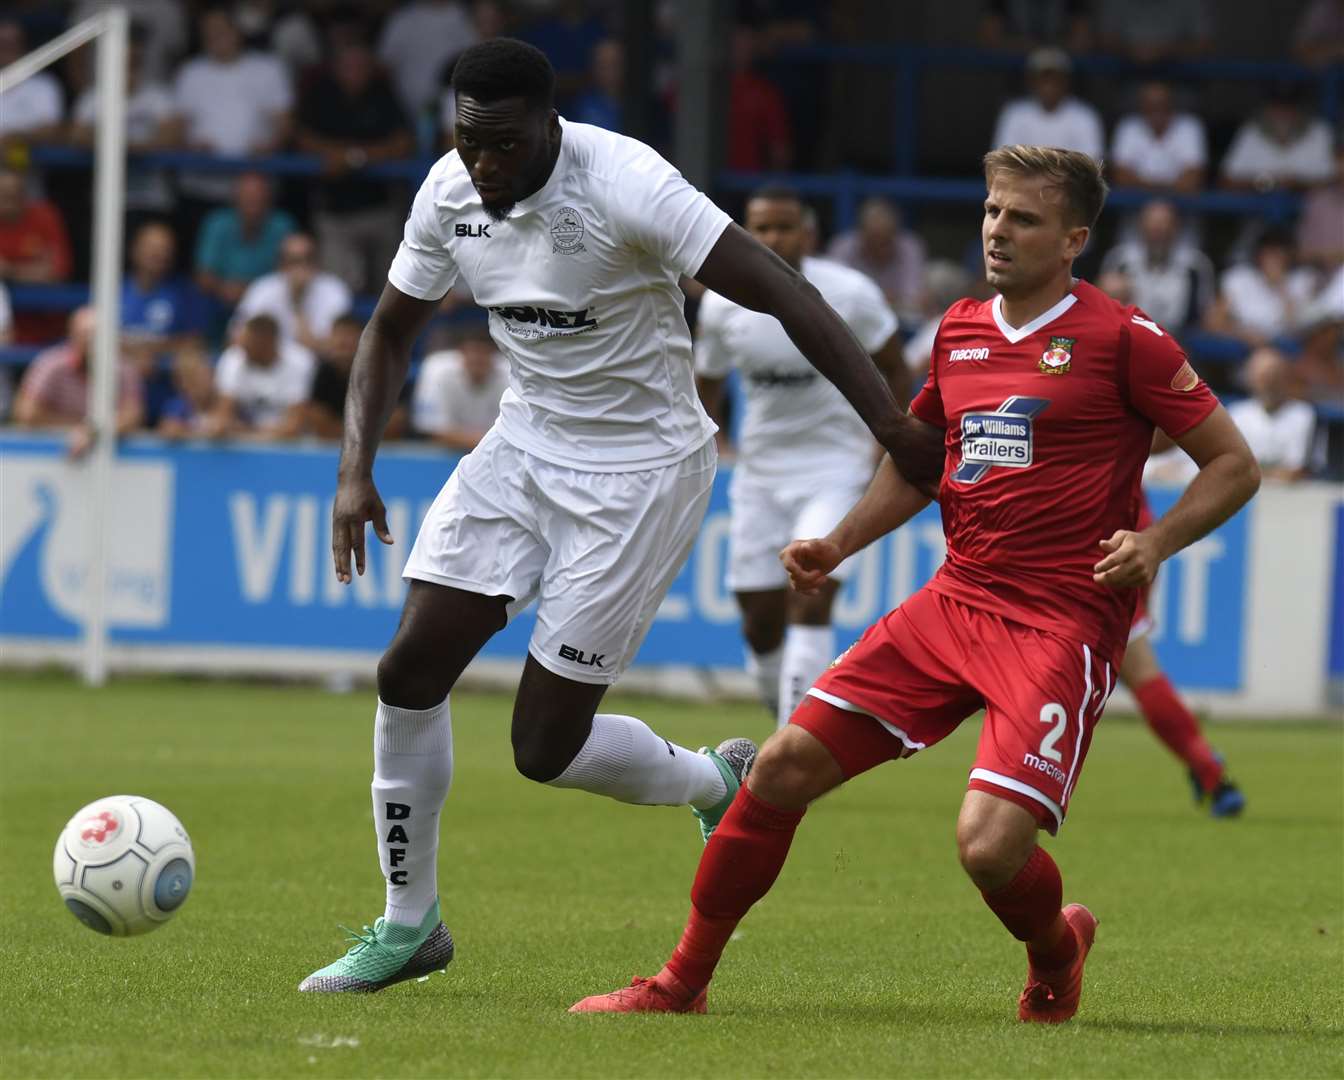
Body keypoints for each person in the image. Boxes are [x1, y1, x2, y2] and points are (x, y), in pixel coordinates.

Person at [299, 38, 943, 995]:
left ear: (551, 126)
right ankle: (408, 924)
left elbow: (781, 288)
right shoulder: (448, 192)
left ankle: (712, 781)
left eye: (505, 147)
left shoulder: (627, 180)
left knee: (543, 750)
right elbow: (391, 326)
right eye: (470, 144)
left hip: (640, 473)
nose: (486, 166)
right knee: (408, 667)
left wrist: (892, 424)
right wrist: (357, 467)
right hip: (523, 447)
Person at [570, 144, 1260, 1021]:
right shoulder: (961, 328)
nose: (999, 230)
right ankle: (679, 984)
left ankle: (1057, 950)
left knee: (986, 849)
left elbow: (1233, 465)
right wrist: (839, 543)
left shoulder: (1125, 339)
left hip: (1060, 624)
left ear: (1075, 238)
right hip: (955, 600)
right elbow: (921, 459)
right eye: (991, 211)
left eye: (1025, 218)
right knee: (778, 768)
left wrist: (1157, 542)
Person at [695, 187, 904, 727]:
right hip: (760, 474)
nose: (771, 239)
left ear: (807, 234)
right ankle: (782, 716)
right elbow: (708, 384)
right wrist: (709, 443)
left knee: (811, 596)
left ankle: (792, 742)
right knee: (759, 624)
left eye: (783, 228)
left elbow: (896, 367)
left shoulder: (850, 293)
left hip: (834, 469)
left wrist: (886, 442)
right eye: (760, 229)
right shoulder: (721, 303)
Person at [1120, 492, 1245, 816]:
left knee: (1132, 660)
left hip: (1080, 525)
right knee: (1129, 657)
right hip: (1127, 518)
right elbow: (1164, 439)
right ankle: (1206, 766)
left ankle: (1208, 768)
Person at [295, 39, 415, 294]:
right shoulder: (321, 94)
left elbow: (404, 142)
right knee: (338, 292)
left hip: (380, 209)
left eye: (361, 66)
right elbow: (302, 139)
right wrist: (347, 155)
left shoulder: (383, 92)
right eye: (348, 66)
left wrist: (354, 157)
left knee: (393, 290)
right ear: (336, 68)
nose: (355, 72)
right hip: (334, 212)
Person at [172, 7, 293, 209]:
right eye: (208, 32)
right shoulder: (190, 72)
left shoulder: (268, 69)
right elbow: (177, 128)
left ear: (237, 32)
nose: (215, 37)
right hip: (200, 186)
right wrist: (191, 145)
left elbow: (285, 124)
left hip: (255, 187)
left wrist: (270, 146)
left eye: (221, 30)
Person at [13, 307, 145, 456]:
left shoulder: (123, 369)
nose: (90, 342)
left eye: (96, 336)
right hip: (49, 457)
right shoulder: (51, 364)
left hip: (111, 460)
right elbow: (27, 413)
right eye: (85, 335)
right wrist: (78, 428)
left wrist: (91, 432)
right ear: (72, 336)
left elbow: (132, 416)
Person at [1099, 200, 1214, 335]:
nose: (1158, 232)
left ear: (1176, 228)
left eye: (1164, 226)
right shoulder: (1120, 260)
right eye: (1152, 227)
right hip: (1129, 336)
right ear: (1140, 227)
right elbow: (1103, 307)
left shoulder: (1196, 265)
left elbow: (1206, 315)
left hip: (1180, 341)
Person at [194, 172, 297, 314]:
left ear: (269, 200)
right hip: (219, 304)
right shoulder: (217, 223)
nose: (253, 203)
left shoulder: (282, 226)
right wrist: (225, 289)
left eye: (258, 198)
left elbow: (292, 273)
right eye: (247, 197)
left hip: (268, 307)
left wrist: (249, 292)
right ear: (235, 198)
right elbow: (203, 276)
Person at [232, 233, 352, 355]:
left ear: (317, 263)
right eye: (293, 261)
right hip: (270, 364)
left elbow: (340, 348)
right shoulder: (262, 289)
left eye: (308, 260)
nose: (301, 268)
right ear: (281, 265)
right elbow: (237, 338)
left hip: (319, 365)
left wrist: (298, 301)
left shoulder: (334, 290)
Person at [208, 313, 314, 439]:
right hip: (248, 441)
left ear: (267, 342)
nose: (243, 350)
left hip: (293, 448)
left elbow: (294, 426)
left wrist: (244, 430)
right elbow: (222, 418)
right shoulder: (234, 359)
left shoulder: (301, 361)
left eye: (249, 344)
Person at [0, 167, 74, 344]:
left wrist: (9, 271)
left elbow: (57, 271)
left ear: (25, 195)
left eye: (15, 194)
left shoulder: (44, 216)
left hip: (48, 328)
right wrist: (30, 270)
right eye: (3, 194)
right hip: (7, 330)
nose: (8, 201)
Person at [1204, 229, 1317, 346]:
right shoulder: (1239, 277)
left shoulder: (1303, 280)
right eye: (1269, 253)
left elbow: (1299, 328)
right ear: (1258, 254)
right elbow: (1213, 322)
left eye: (1279, 254)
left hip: (1282, 348)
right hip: (1242, 341)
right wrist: (1242, 334)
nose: (1273, 260)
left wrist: (1281, 286)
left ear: (1290, 256)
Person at [306, 312, 407, 440]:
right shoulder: (323, 371)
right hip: (338, 446)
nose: (343, 342)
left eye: (349, 335)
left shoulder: (386, 370)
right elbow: (318, 422)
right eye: (338, 336)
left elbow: (395, 424)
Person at [825, 197, 927, 322]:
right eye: (874, 240)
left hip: (899, 320)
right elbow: (833, 297)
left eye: (885, 241)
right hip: (851, 318)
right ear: (861, 234)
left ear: (896, 234)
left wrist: (867, 299)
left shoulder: (909, 246)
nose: (879, 247)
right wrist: (884, 298)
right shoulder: (843, 247)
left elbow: (914, 301)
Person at [991, 48, 1103, 162]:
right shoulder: (1014, 113)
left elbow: (1092, 165)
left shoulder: (1084, 115)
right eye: (1044, 79)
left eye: (1056, 79)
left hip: (1070, 180)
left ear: (1067, 81)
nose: (1049, 86)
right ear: (1031, 81)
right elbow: (1003, 163)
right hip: (1025, 180)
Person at [1226, 346, 1318, 482]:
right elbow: (1229, 467)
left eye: (1274, 375)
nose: (1269, 382)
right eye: (1262, 376)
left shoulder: (1303, 414)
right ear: (1250, 379)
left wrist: (1247, 472)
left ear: (1285, 377)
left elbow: (1294, 471)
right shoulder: (1236, 413)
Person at [1221, 83, 1335, 193]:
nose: (1282, 113)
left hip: (1311, 209)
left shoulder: (1319, 131)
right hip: (1255, 208)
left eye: (1288, 107)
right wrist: (1265, 182)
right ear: (1266, 108)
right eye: (1276, 106)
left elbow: (1333, 180)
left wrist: (1297, 184)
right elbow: (1227, 181)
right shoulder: (1250, 131)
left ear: (1299, 109)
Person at [411, 324, 508, 449]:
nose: (477, 358)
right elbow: (433, 430)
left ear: (493, 354)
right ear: (461, 352)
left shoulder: (511, 373)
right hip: (447, 453)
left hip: (496, 451)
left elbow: (519, 430)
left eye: (484, 352)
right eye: (473, 351)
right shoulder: (436, 368)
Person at [1109, 80, 1208, 193]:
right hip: (1136, 203)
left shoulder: (1190, 125)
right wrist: (1168, 187)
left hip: (1181, 204)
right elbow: (1120, 176)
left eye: (1162, 103)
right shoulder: (1128, 125)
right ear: (1141, 106)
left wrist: (1144, 185)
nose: (1156, 109)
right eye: (1150, 104)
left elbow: (1193, 179)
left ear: (1172, 104)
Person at [0, 20, 64, 146]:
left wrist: (13, 138)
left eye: (11, 44)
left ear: (23, 47)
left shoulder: (44, 85)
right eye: (1, 45)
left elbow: (51, 131)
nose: (6, 50)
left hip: (28, 159)